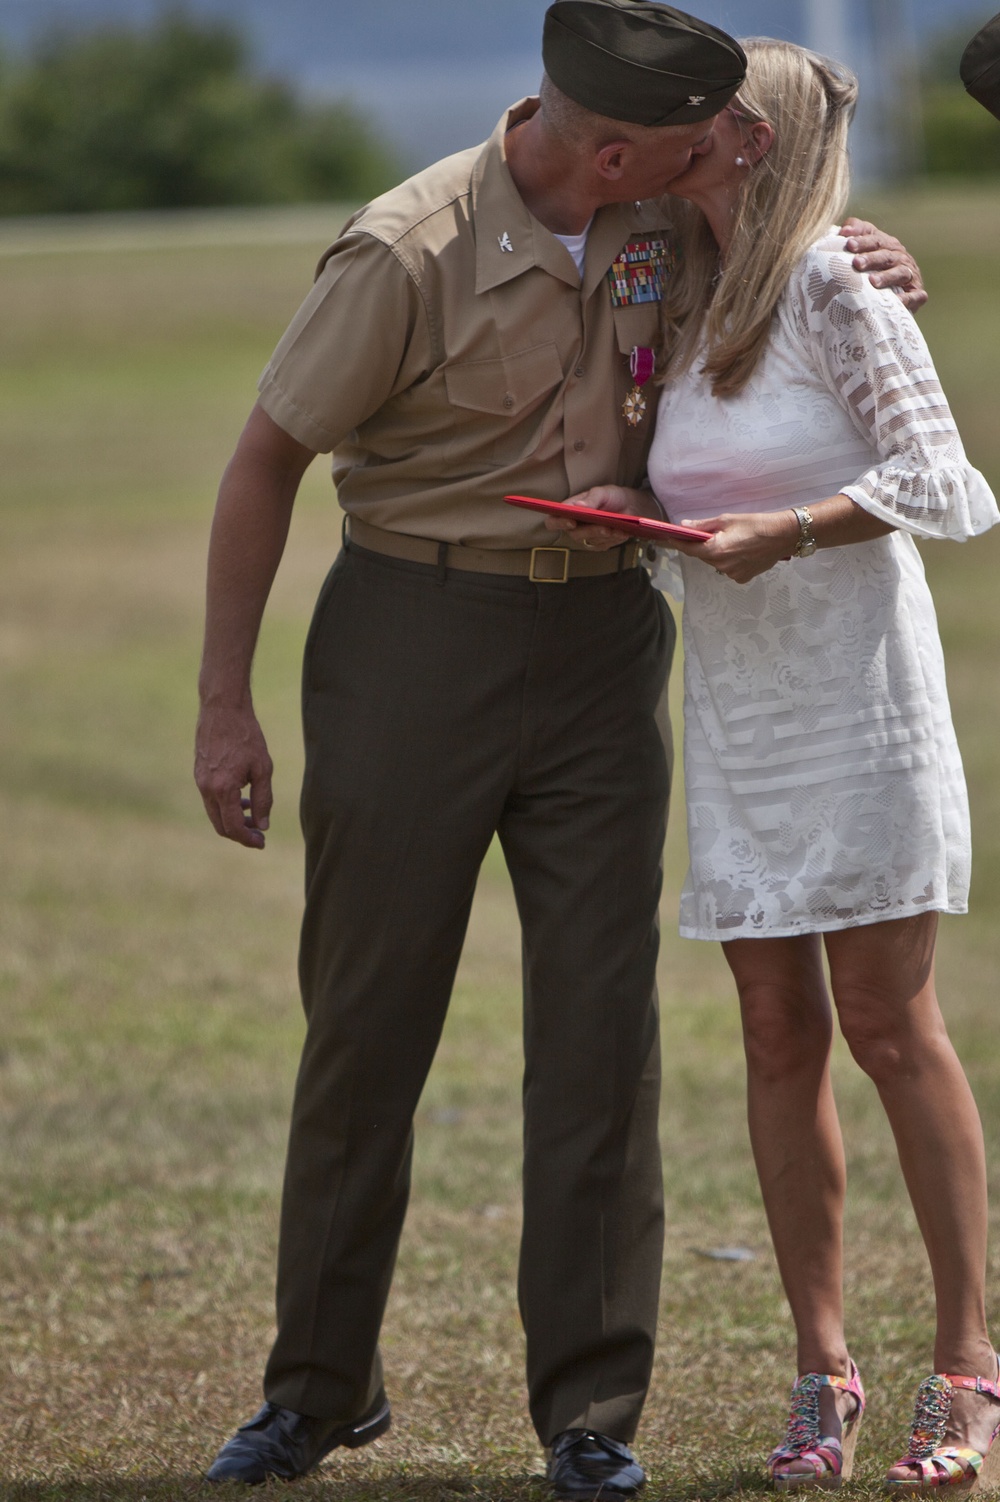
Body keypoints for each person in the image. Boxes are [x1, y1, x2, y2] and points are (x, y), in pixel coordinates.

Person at [193, 2, 925, 1492]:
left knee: (602, 1035)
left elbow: (781, 248)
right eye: (692, 139)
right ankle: (318, 1387)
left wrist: (879, 251)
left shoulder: (660, 205)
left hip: (604, 651)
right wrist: (225, 702)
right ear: (604, 147)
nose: (720, 153)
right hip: (415, 638)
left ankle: (590, 1416)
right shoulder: (407, 250)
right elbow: (268, 452)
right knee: (368, 1022)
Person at [554, 35, 1000, 1496]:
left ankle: (969, 1366)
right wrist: (629, 499)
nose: (670, 127)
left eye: (702, 110)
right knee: (771, 1033)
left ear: (750, 138)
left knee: (887, 1021)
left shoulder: (838, 284)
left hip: (858, 706)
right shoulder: (674, 294)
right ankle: (824, 1368)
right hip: (745, 718)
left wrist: (791, 530)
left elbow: (948, 484)